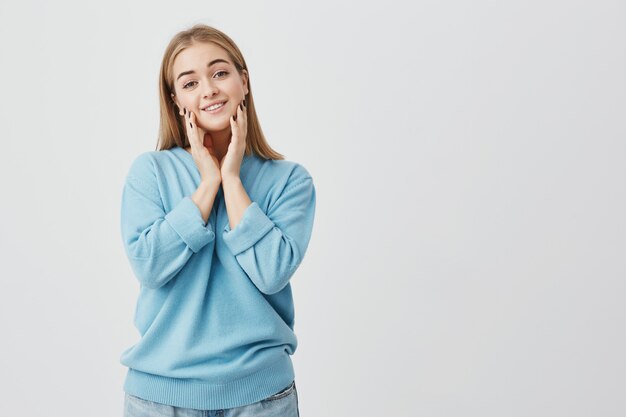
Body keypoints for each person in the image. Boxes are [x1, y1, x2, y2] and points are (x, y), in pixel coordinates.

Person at [119, 23, 315, 417]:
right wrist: (208, 184)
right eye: (190, 83)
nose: (208, 89)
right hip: (160, 399)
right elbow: (150, 267)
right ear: (176, 101)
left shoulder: (290, 181)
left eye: (220, 73)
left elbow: (271, 272)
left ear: (244, 81)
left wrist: (231, 178)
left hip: (263, 398)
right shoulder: (150, 172)